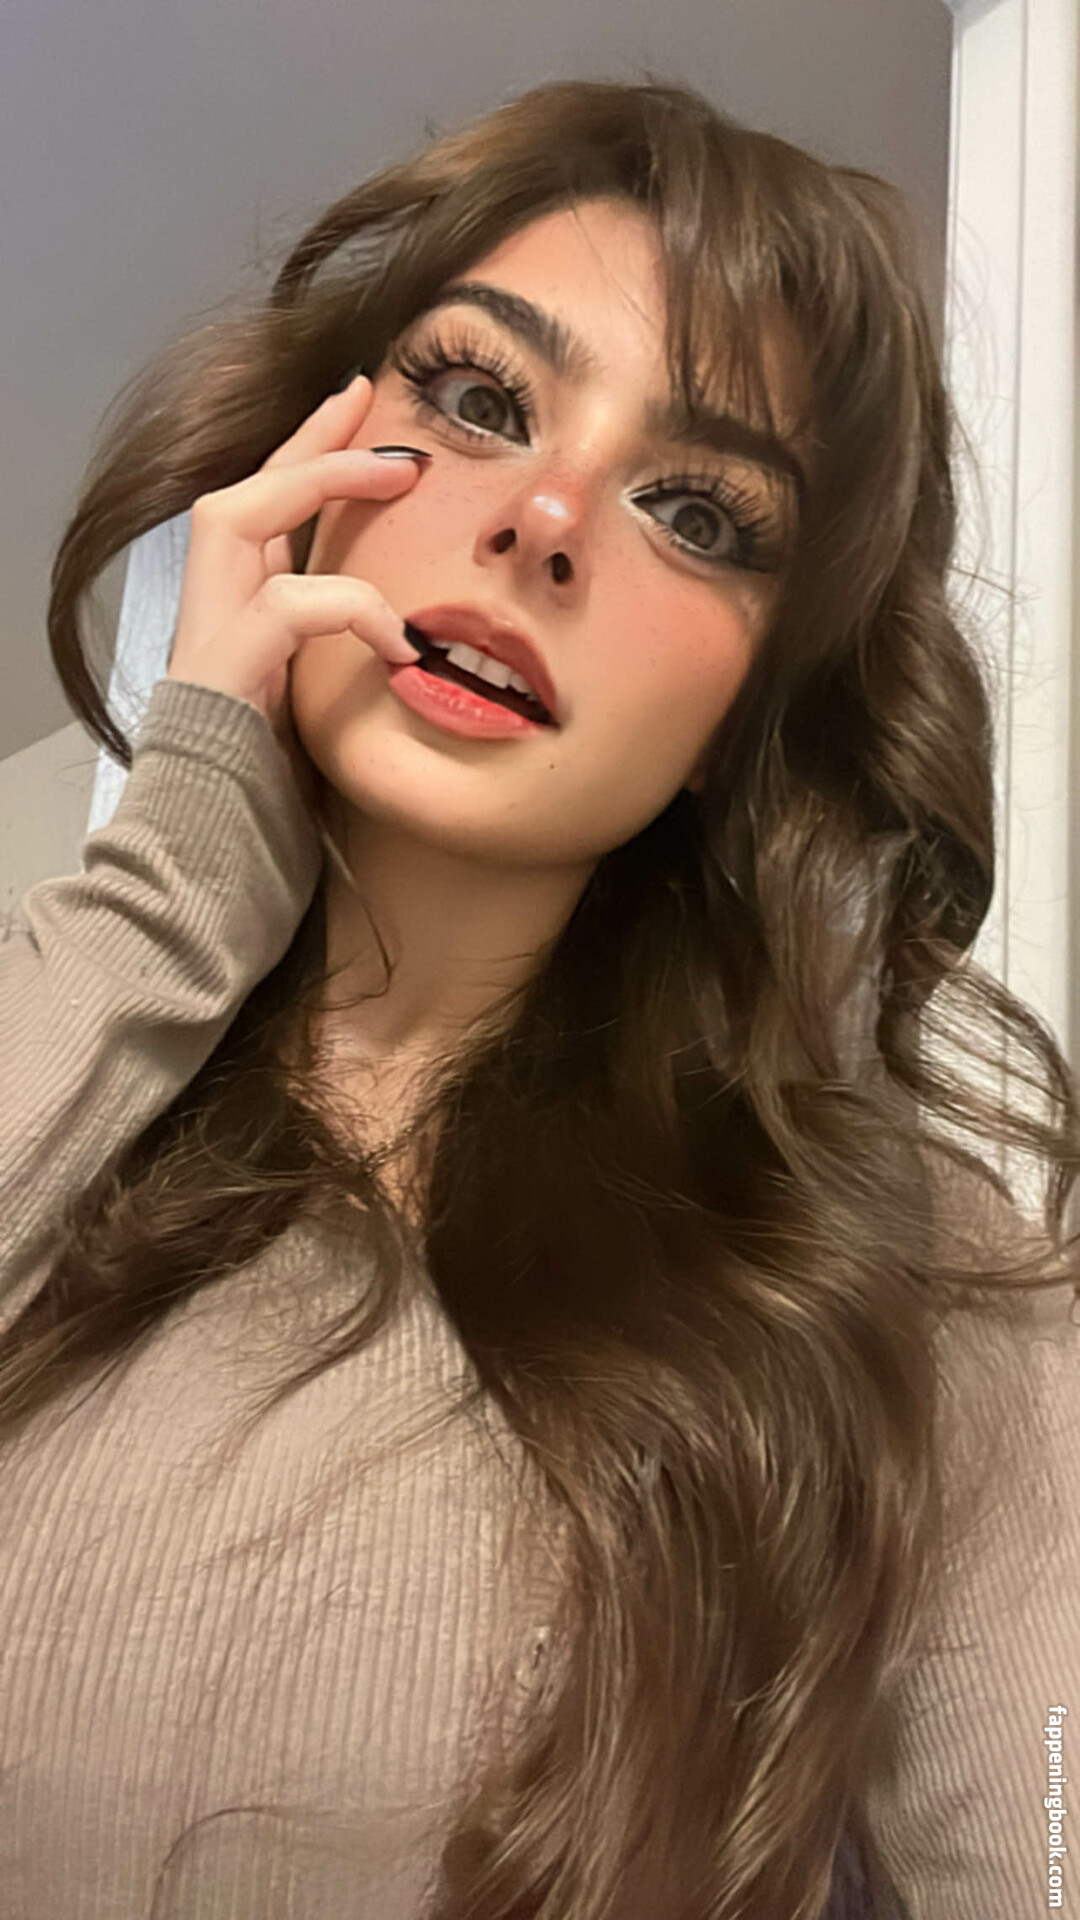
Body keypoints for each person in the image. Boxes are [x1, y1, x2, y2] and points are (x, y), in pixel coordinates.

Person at [0, 75, 1076, 1920]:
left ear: (746, 711)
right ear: (315, 476)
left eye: (700, 509)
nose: (548, 515)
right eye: (480, 398)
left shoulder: (904, 1281)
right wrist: (177, 862)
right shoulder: (76, 1039)